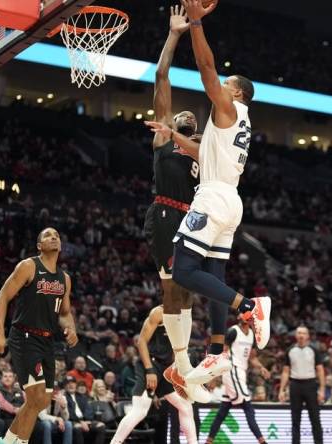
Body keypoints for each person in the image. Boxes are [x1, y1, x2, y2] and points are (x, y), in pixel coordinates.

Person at [144, 0, 270, 387]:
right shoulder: (237, 126)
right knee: (212, 273)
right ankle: (217, 355)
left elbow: (206, 69)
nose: (220, 88)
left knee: (183, 271)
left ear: (237, 94)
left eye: (227, 86)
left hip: (211, 198)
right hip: (229, 200)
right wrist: (174, 136)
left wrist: (196, 23)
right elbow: (204, 152)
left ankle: (250, 307)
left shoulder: (229, 109)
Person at [142, 4, 209, 402]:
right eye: (177, 113)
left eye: (188, 114)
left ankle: (181, 366)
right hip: (166, 214)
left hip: (190, 221)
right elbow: (161, 75)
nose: (182, 113)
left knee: (187, 294)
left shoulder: (201, 148)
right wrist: (174, 34)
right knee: (172, 291)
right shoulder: (164, 136)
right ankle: (182, 366)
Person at [0, 227, 79, 444]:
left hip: (47, 340)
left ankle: (7, 441)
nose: (54, 238)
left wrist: (72, 328)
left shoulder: (64, 278)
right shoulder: (29, 266)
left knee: (40, 401)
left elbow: (65, 312)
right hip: (24, 336)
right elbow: (2, 297)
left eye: (57, 235)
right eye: (48, 235)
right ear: (39, 246)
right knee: (36, 396)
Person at [109, 305, 197, 444]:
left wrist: (178, 370)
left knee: (185, 406)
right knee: (140, 411)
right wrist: (149, 370)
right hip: (151, 364)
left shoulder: (185, 315)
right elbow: (141, 342)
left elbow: (181, 347)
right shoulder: (159, 312)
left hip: (168, 368)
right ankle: (115, 442)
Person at [206, 314, 271, 444]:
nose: (241, 317)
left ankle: (209, 441)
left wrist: (261, 367)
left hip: (241, 372)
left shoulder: (251, 334)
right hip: (232, 370)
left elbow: (252, 357)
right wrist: (214, 375)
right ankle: (262, 441)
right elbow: (222, 353)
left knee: (222, 411)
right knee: (248, 408)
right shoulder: (233, 331)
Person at [278, 326, 325, 444]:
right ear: (295, 335)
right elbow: (285, 371)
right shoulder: (290, 350)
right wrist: (281, 390)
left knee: (315, 419)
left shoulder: (314, 350)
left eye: (304, 333)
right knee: (295, 420)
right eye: (299, 333)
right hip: (295, 385)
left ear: (308, 336)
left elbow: (320, 370)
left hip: (310, 384)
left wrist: (322, 390)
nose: (301, 335)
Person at [63, 376, 106, 444]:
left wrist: (86, 421)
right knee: (78, 427)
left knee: (101, 425)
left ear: (76, 385)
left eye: (73, 383)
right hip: (72, 422)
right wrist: (80, 422)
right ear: (65, 386)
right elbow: (69, 414)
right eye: (68, 383)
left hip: (86, 421)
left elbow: (89, 411)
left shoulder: (82, 396)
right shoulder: (63, 397)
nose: (71, 385)